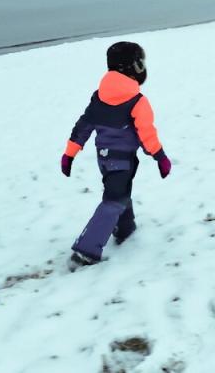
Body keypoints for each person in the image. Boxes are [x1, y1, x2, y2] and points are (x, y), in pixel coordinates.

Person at [61, 41, 172, 267]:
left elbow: (83, 126)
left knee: (120, 192)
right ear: (133, 68)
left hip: (104, 159)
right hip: (121, 160)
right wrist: (160, 157)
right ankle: (86, 250)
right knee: (114, 199)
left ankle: (125, 229)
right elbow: (146, 134)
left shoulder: (99, 96)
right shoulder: (137, 102)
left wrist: (70, 152)